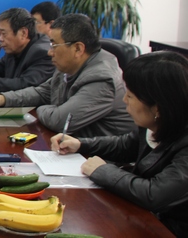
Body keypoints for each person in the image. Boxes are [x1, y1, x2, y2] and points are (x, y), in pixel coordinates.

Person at [51, 52, 188, 236]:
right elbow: (126, 145)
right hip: (144, 216)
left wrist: (103, 170)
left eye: (130, 96)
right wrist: (80, 144)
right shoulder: (156, 122)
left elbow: (153, 194)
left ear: (157, 108)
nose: (124, 100)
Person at [0, 14, 134, 138]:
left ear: (78, 49)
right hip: (69, 144)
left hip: (97, 157)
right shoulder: (69, 64)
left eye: (54, 45)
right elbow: (42, 92)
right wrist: (4, 99)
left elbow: (60, 121)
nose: (49, 52)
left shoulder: (101, 78)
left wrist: (40, 108)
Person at [0, 8, 54, 92]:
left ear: (23, 33)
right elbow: (0, 67)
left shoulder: (43, 53)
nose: (0, 39)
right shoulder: (15, 47)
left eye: (4, 34)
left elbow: (26, 85)